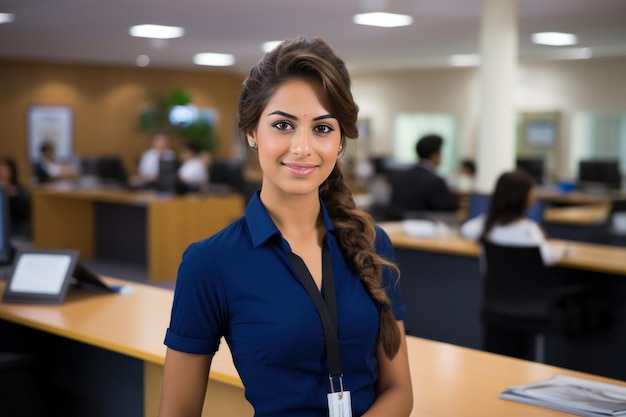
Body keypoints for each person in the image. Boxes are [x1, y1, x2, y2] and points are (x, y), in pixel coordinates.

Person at [158, 37, 413, 417]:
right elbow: (177, 411)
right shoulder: (210, 263)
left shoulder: (371, 243)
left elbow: (398, 390)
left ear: (340, 139)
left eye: (323, 129)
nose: (303, 147)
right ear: (251, 132)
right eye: (283, 125)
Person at [460, 169, 567, 265]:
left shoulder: (485, 224)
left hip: (495, 286)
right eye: (532, 190)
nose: (535, 194)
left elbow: (465, 230)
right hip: (528, 286)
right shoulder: (530, 230)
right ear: (523, 197)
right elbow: (549, 258)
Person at [388, 134, 459, 220]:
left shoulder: (399, 177)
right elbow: (450, 210)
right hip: (428, 229)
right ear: (434, 155)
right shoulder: (435, 181)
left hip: (399, 227)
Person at [0, 157, 31, 236]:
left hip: (15, 229)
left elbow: (24, 213)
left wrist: (11, 194)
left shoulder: (19, 190)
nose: (2, 172)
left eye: (5, 170)